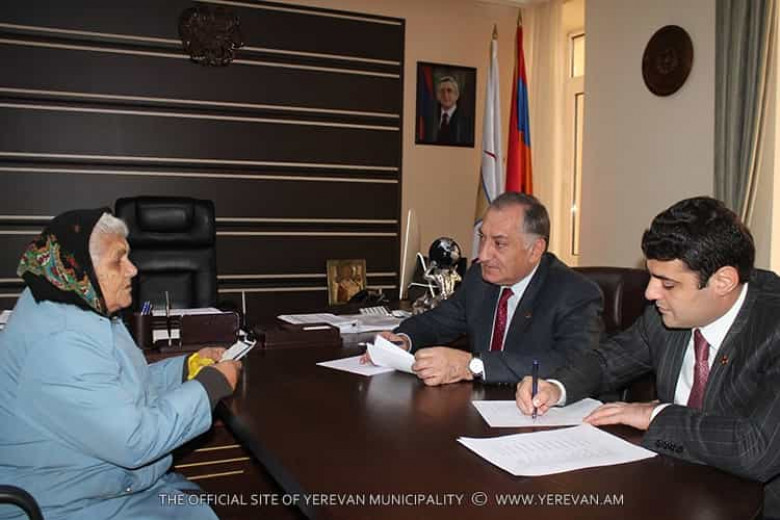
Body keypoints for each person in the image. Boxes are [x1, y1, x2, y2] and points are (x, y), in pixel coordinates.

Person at [516, 196, 780, 519]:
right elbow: (609, 359)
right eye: (652, 277)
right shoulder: (665, 314)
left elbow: (756, 450)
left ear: (723, 281)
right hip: (672, 488)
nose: (650, 293)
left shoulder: (773, 326)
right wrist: (557, 387)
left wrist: (655, 415)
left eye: (668, 283)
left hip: (755, 507)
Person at [0, 208, 242, 520]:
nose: (133, 269)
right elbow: (136, 441)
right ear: (81, 267)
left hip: (94, 483)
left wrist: (184, 369)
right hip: (65, 503)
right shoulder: (60, 342)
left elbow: (116, 385)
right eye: (118, 260)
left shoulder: (74, 304)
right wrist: (209, 386)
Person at [373, 192, 603, 386]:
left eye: (499, 244)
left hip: (543, 415)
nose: (482, 255)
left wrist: (472, 366)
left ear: (535, 250)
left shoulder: (574, 292)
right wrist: (403, 340)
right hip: (483, 406)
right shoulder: (479, 279)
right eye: (483, 238)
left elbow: (577, 364)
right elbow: (438, 321)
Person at [434, 76, 472, 145]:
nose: (445, 95)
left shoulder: (466, 121)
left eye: (449, 91)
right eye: (442, 91)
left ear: (457, 95)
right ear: (437, 95)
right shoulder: (432, 117)